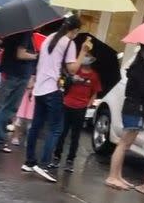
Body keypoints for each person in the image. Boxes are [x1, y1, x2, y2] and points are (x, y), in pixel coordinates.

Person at [23, 15, 92, 183]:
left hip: (40, 88)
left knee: (36, 126)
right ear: (75, 30)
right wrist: (83, 51)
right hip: (53, 90)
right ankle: (45, 164)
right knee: (56, 129)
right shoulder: (69, 43)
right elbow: (73, 69)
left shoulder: (50, 38)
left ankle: (29, 161)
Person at [105, 44, 144, 190]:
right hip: (134, 108)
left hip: (136, 108)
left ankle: (118, 175)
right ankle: (112, 176)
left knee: (126, 145)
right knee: (123, 143)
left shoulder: (142, 67)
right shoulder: (140, 68)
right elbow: (143, 90)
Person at [0, 31, 38, 153]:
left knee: (4, 106)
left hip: (10, 72)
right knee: (9, 108)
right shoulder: (25, 33)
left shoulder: (14, 32)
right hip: (18, 74)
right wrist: (36, 56)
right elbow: (20, 54)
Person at [52, 52, 101, 173]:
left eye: (89, 56)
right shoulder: (74, 70)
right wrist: (70, 79)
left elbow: (95, 91)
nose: (86, 58)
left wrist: (89, 104)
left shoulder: (94, 76)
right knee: (62, 132)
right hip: (67, 104)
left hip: (81, 107)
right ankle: (56, 156)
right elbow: (63, 84)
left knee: (75, 135)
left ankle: (70, 160)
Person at [11, 75, 36, 146]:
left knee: (30, 123)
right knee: (19, 120)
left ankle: (28, 140)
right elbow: (27, 85)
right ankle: (15, 137)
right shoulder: (28, 74)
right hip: (24, 98)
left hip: (33, 99)